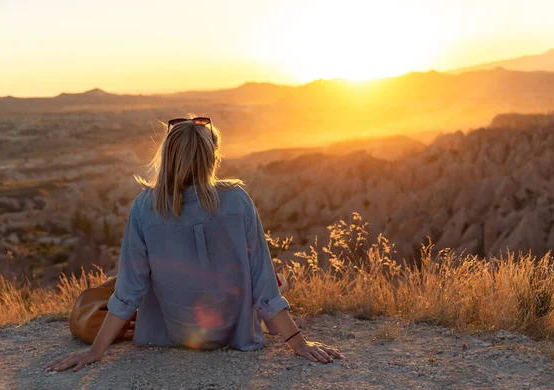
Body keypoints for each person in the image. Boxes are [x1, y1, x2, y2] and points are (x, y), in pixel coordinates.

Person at [46, 117, 343, 373]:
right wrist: (299, 343)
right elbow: (264, 284)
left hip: (173, 333)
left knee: (125, 277)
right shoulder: (237, 200)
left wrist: (95, 352)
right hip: (231, 334)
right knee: (276, 279)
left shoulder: (145, 206)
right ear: (211, 158)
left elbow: (129, 291)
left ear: (167, 158)